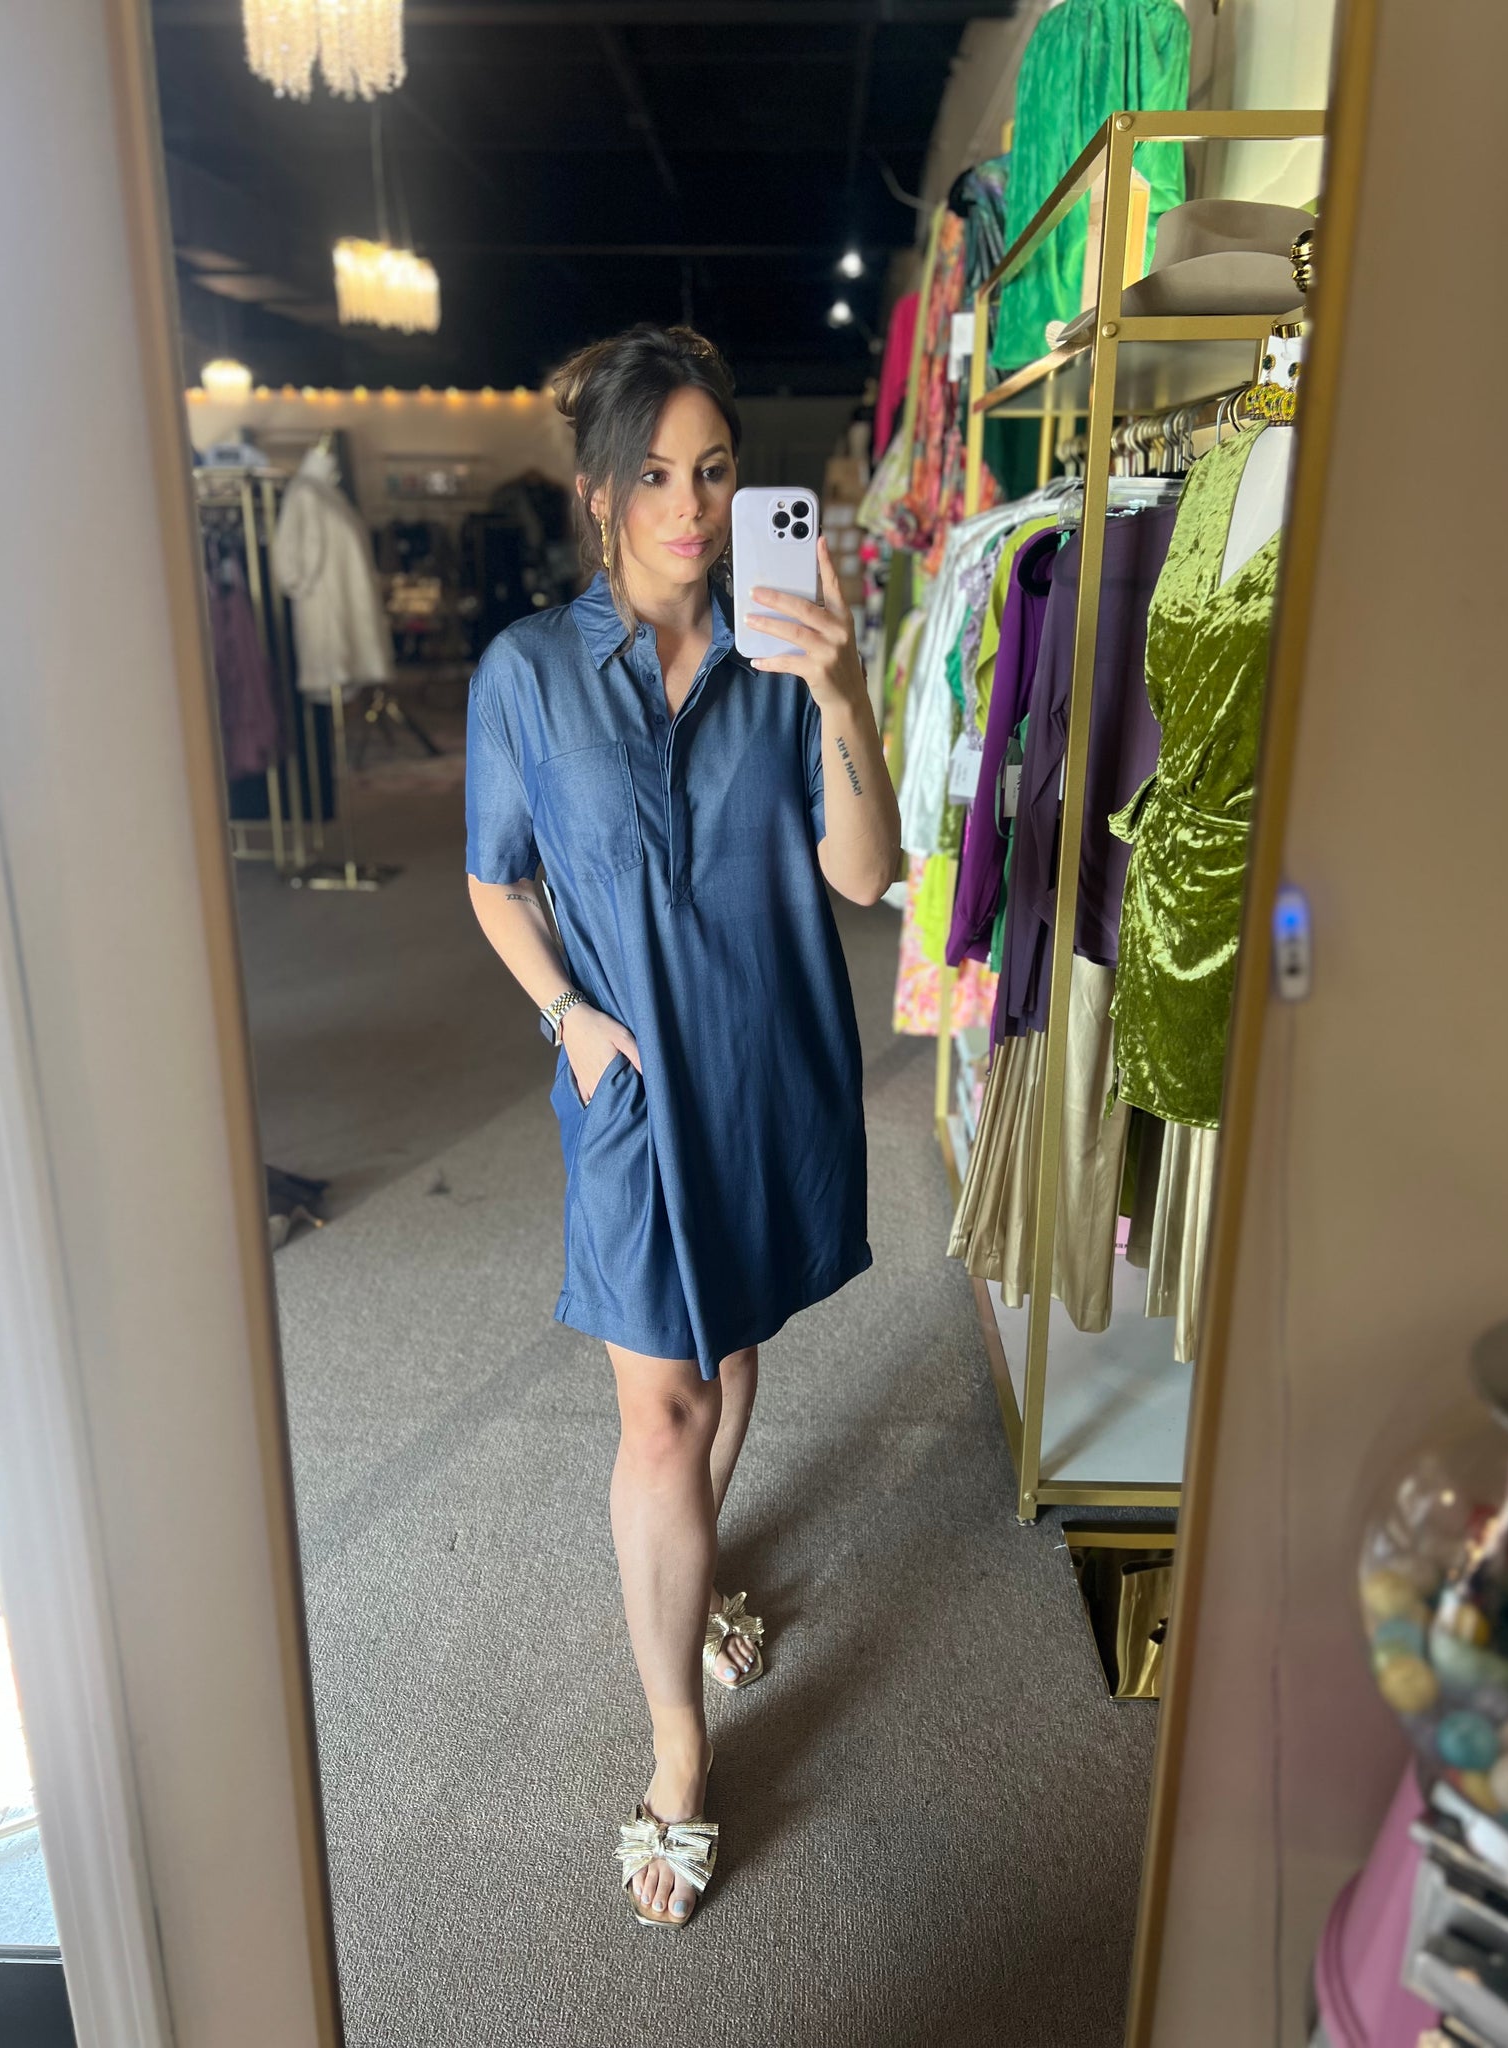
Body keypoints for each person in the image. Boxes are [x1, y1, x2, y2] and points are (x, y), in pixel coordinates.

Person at [464, 324, 901, 1926]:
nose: (691, 506)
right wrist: (565, 1019)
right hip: (630, 1088)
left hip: (770, 1067)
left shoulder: (783, 657)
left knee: (727, 1357)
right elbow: (495, 879)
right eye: (654, 475)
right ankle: (678, 1752)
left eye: (714, 472)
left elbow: (864, 874)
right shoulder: (526, 674)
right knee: (656, 1412)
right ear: (598, 493)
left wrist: (840, 686)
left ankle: (700, 1570)